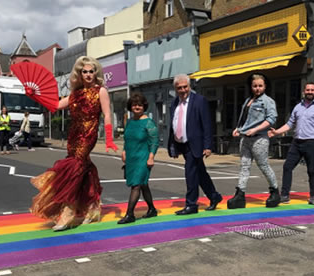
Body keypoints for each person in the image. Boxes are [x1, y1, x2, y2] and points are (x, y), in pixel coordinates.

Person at [30, 56, 118, 231]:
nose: (88, 75)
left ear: (96, 73)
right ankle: (90, 209)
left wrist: (109, 138)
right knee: (83, 169)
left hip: (88, 134)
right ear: (79, 73)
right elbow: (55, 105)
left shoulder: (101, 91)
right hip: (74, 135)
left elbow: (107, 115)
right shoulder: (75, 94)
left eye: (91, 71)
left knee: (75, 167)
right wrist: (36, 96)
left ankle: (68, 212)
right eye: (84, 71)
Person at [168, 74, 223, 215]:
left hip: (196, 144)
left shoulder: (199, 101)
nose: (182, 90)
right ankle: (214, 196)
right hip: (182, 144)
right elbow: (173, 124)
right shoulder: (174, 103)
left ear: (189, 86)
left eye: (185, 87)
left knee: (190, 173)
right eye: (179, 88)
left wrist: (208, 145)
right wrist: (173, 146)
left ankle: (191, 204)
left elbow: (207, 124)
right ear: (175, 88)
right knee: (200, 173)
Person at [269, 83, 314, 205]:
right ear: (304, 92)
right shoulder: (297, 107)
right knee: (287, 167)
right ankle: (285, 195)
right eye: (308, 90)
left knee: (311, 170)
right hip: (297, 142)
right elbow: (289, 124)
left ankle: (313, 196)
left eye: (312, 90)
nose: (310, 92)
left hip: (311, 142)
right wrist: (276, 132)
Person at [228, 73, 279, 209]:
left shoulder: (268, 101)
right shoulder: (248, 101)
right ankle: (240, 194)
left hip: (259, 139)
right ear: (251, 87)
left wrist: (256, 129)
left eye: (260, 86)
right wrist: (238, 129)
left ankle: (274, 191)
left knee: (263, 165)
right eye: (255, 86)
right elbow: (244, 118)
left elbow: (271, 119)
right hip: (245, 138)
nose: (257, 89)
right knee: (244, 166)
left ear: (265, 86)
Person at [118, 92, 159, 224]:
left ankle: (130, 214)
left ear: (144, 107)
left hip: (143, 157)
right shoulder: (129, 122)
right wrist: (124, 151)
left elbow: (154, 141)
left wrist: (151, 157)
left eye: (140, 105)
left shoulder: (148, 123)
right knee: (143, 185)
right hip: (131, 157)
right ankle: (152, 209)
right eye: (134, 105)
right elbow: (127, 139)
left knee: (136, 185)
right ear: (130, 107)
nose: (137, 107)